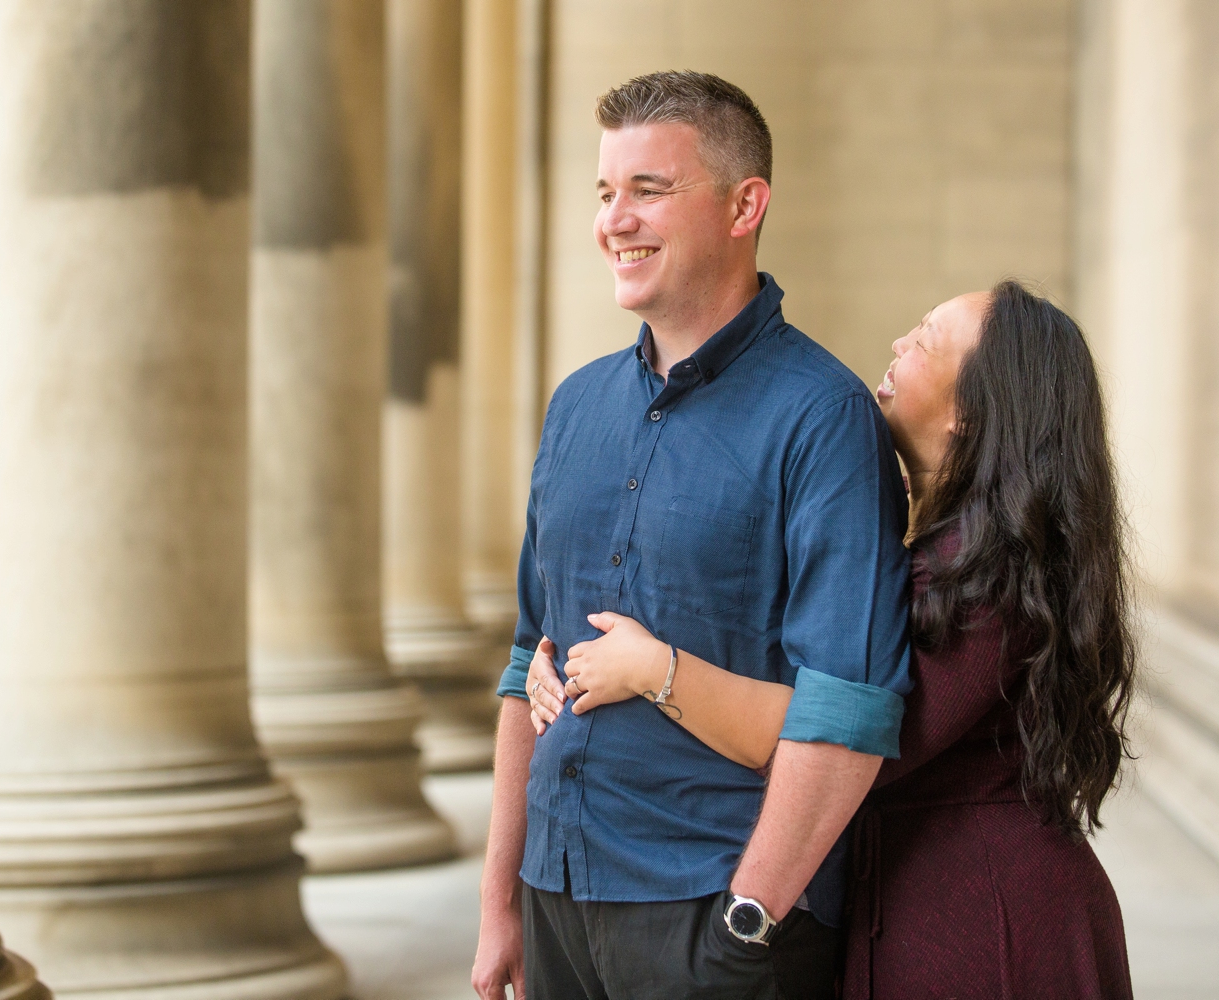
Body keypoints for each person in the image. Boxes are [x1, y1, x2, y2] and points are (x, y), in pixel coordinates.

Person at [528, 282, 1137, 999]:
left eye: (924, 337)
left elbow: (844, 736)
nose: (897, 345)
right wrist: (566, 660)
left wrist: (653, 669)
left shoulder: (989, 584)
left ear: (972, 413)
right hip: (920, 900)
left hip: (986, 923)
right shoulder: (943, 550)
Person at [470, 71, 913, 1000]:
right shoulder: (575, 407)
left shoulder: (824, 418)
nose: (614, 221)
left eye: (649, 190)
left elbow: (850, 712)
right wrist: (499, 902)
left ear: (745, 204)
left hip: (712, 907)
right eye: (604, 192)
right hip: (555, 895)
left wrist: (747, 924)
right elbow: (526, 663)